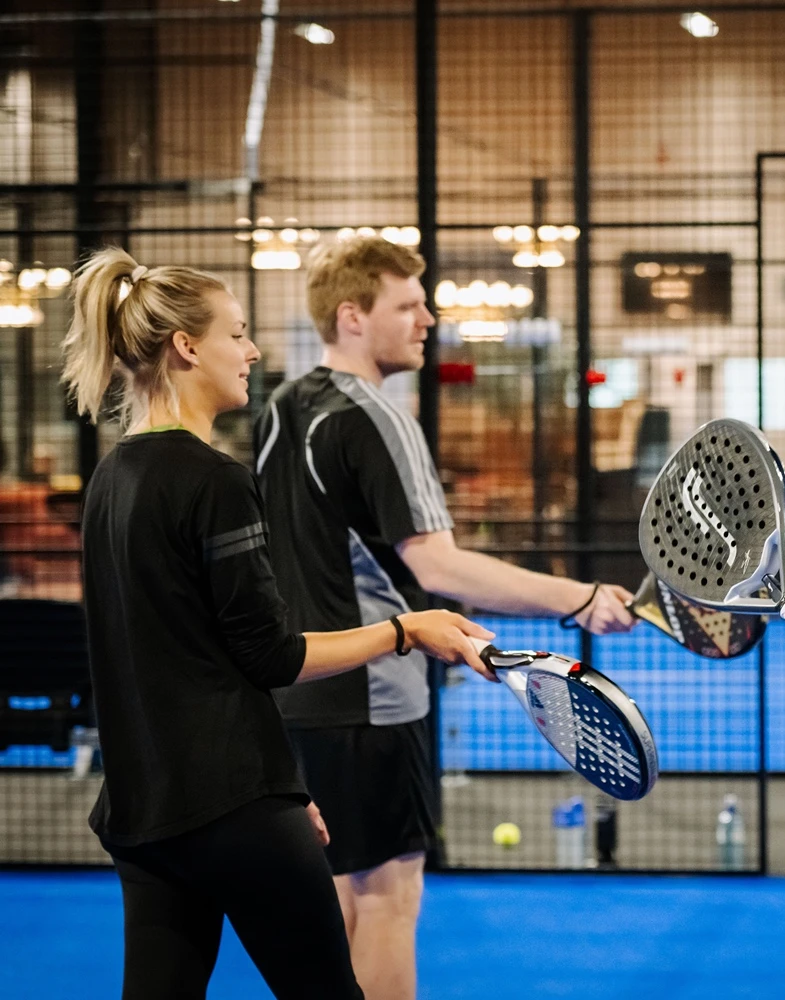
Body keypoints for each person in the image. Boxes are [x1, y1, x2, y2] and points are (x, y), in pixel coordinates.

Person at [60, 248, 496, 999]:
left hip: (145, 815)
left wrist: (284, 789)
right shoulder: (215, 480)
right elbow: (270, 654)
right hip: (234, 810)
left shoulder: (110, 479)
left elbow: (184, 657)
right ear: (186, 347)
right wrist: (407, 630)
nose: (253, 350)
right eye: (236, 333)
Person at [253, 235, 636, 1000]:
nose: (429, 319)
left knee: (338, 901)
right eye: (409, 306)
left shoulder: (281, 407)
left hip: (296, 692)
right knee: (387, 901)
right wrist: (579, 597)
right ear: (353, 317)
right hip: (373, 700)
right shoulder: (379, 417)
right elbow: (440, 568)